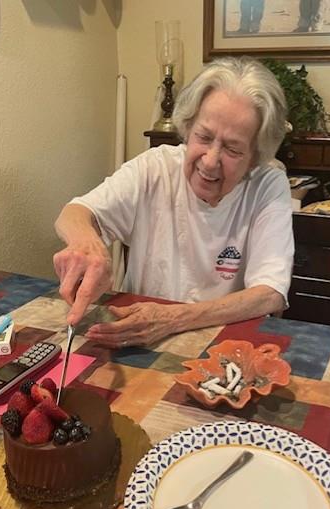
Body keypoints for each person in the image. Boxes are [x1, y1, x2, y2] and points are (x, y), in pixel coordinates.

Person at [54, 57, 294, 348]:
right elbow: (74, 213)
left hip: (224, 346)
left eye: (232, 149)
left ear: (255, 157)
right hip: (137, 341)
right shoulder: (155, 167)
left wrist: (173, 318)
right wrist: (88, 244)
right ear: (188, 127)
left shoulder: (268, 185)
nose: (210, 160)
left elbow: (270, 293)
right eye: (203, 137)